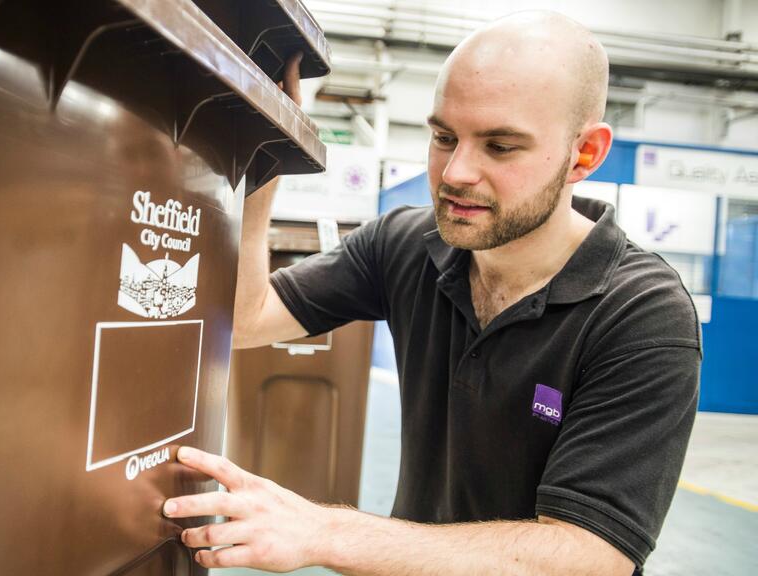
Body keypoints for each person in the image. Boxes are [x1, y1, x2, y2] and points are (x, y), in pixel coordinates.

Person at [162, 10, 700, 576]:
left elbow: (589, 555)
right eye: (444, 137)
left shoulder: (642, 314)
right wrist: (265, 150)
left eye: (500, 145)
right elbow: (245, 320)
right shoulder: (406, 244)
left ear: (583, 155)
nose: (455, 173)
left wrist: (325, 530)